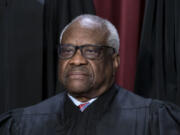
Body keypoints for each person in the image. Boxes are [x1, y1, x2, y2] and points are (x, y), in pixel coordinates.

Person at [0, 14, 180, 135]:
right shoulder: (23, 125)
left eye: (91, 51)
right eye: (67, 50)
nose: (76, 60)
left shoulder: (152, 121)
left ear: (115, 61)